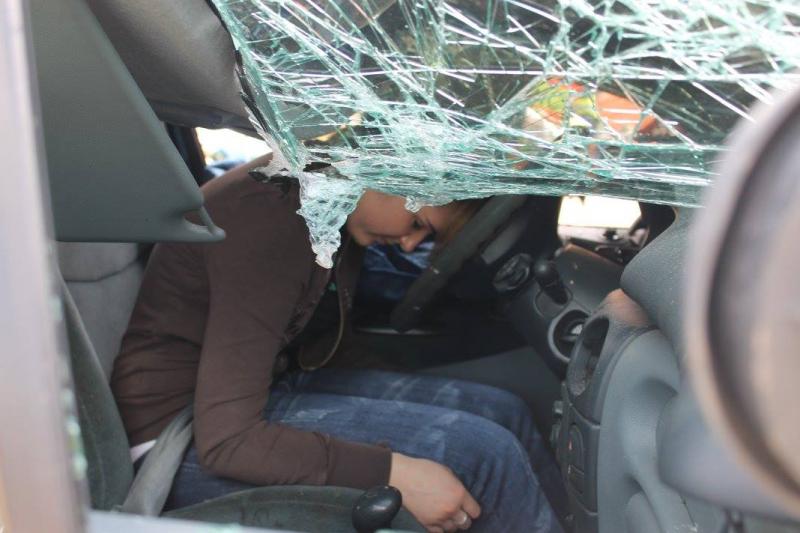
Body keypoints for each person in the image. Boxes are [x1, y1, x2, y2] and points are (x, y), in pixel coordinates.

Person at [111, 154, 564, 533]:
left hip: (252, 393)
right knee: (483, 454)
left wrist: (400, 412)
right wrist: (395, 472)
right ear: (382, 171)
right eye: (417, 223)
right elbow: (228, 442)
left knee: (504, 411)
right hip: (174, 442)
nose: (410, 245)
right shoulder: (271, 221)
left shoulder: (333, 208)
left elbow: (317, 343)